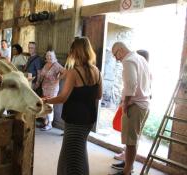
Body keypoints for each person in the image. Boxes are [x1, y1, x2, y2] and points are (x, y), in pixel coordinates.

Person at [43, 37, 102, 175]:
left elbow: (63, 98)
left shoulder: (73, 72)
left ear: (75, 52)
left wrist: (46, 100)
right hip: (88, 119)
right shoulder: (97, 71)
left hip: (75, 120)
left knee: (71, 157)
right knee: (80, 151)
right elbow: (99, 96)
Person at [111, 42, 151, 175]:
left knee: (130, 142)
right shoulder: (140, 58)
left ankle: (126, 172)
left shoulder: (128, 60)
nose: (116, 58)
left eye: (115, 54)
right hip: (144, 103)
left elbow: (131, 84)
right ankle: (128, 165)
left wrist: (126, 103)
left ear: (121, 50)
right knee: (133, 140)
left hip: (134, 105)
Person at [35, 50, 65, 131]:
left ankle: (50, 124)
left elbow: (65, 72)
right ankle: (46, 122)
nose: (49, 57)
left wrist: (58, 79)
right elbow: (41, 75)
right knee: (45, 103)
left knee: (50, 105)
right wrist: (38, 82)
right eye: (47, 56)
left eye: (50, 56)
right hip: (45, 87)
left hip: (53, 88)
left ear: (54, 57)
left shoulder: (56, 65)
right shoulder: (46, 64)